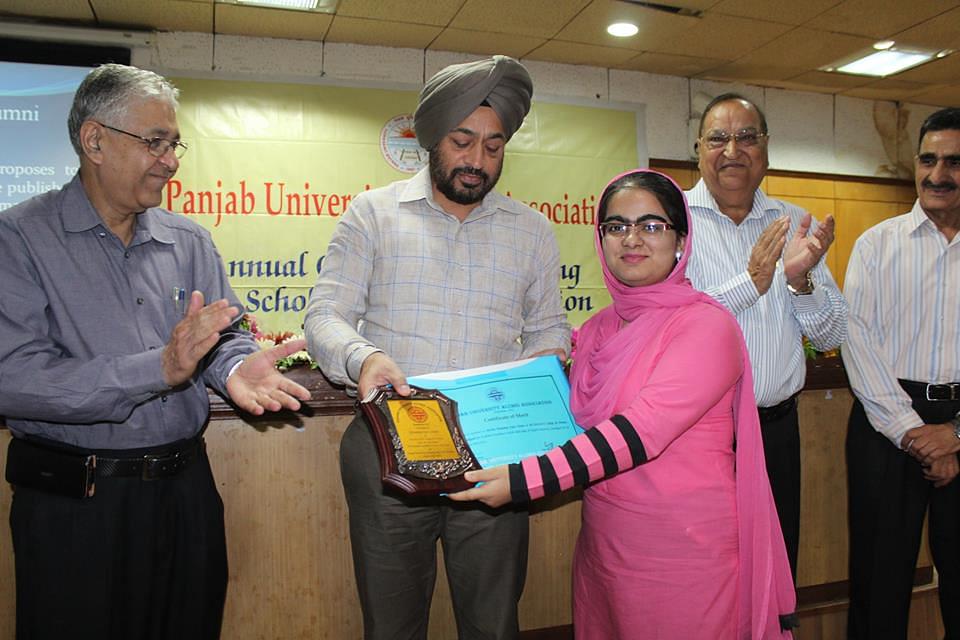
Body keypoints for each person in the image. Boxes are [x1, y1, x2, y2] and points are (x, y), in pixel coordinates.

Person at [0, 64, 311, 640]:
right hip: (76, 507)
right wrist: (158, 368)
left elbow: (223, 338)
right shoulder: (17, 239)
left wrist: (234, 367)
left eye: (174, 145)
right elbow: (13, 379)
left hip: (185, 493)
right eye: (155, 142)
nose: (170, 161)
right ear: (95, 141)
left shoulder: (188, 240)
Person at [450, 169, 796, 639]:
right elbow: (561, 421)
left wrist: (524, 479)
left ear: (680, 240)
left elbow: (640, 431)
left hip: (685, 553)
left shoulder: (706, 327)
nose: (632, 239)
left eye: (651, 225)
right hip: (606, 550)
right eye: (616, 226)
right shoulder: (597, 329)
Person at [304, 55, 570, 640]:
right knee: (392, 624)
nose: (478, 160)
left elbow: (550, 329)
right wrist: (364, 358)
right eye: (462, 141)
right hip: (389, 447)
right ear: (431, 139)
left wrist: (539, 379)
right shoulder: (372, 215)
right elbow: (325, 315)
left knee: (494, 623)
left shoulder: (531, 231)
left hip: (493, 451)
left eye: (494, 147)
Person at [684, 93, 847, 579]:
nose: (733, 150)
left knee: (774, 575)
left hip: (776, 431)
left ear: (767, 148)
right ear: (698, 148)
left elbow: (832, 333)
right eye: (718, 138)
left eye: (747, 137)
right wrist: (751, 282)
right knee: (707, 577)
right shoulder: (671, 223)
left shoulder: (796, 223)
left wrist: (799, 281)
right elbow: (671, 328)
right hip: (698, 435)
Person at [842, 106, 960, 639]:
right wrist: (914, 433)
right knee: (879, 579)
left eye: (954, 162)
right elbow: (857, 342)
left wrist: (953, 434)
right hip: (886, 421)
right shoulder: (876, 244)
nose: (938, 174)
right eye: (929, 159)